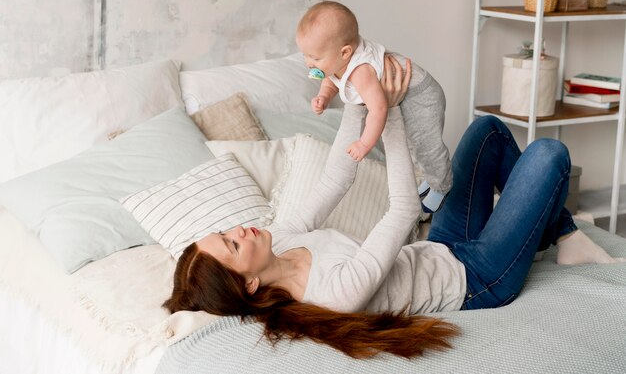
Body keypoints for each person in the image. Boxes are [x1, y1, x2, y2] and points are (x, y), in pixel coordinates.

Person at [163, 57, 624, 359]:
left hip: (440, 248)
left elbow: (336, 177)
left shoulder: (279, 240)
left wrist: (358, 100)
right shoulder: (331, 294)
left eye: (228, 230)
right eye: (231, 243)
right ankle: (562, 233)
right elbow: (403, 209)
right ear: (249, 281)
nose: (241, 229)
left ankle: (562, 234)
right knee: (548, 155)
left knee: (487, 130)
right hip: (478, 279)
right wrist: (392, 112)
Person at [296, 0, 451, 213]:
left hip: (421, 95)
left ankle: (442, 187)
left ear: (345, 53)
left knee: (425, 146)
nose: (308, 63)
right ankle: (430, 179)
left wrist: (364, 144)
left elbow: (379, 109)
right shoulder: (336, 62)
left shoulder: (361, 72)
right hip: (405, 95)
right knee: (414, 145)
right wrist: (323, 96)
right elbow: (332, 79)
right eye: (305, 55)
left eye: (314, 57)